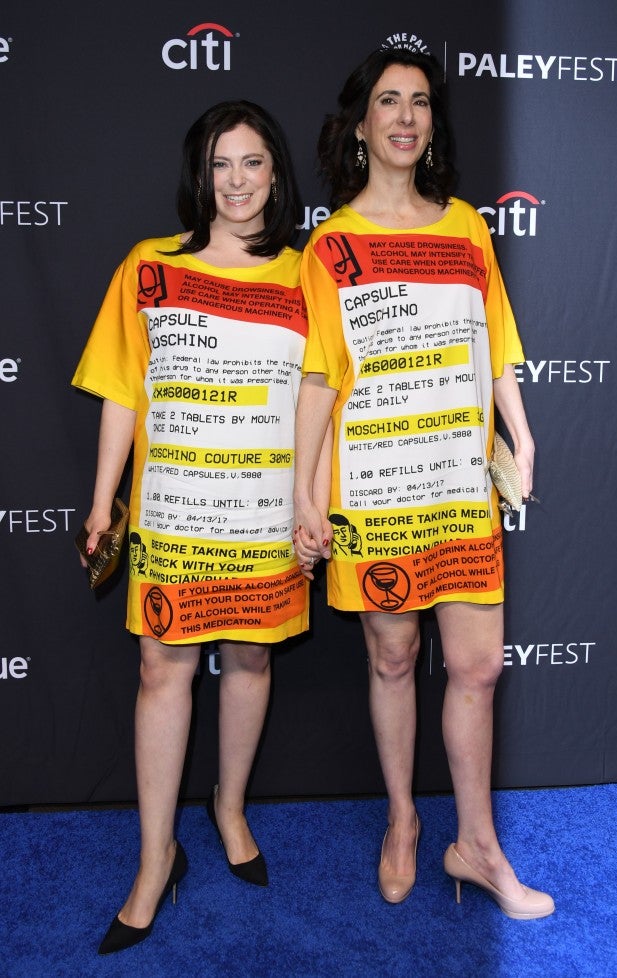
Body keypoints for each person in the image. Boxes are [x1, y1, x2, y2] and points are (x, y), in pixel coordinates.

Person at [293, 47, 554, 918]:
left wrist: (518, 429)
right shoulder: (331, 247)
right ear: (361, 125)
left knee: (476, 667)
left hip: (458, 487)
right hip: (375, 489)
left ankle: (476, 847)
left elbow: (496, 341)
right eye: (387, 102)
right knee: (394, 657)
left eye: (419, 104)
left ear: (432, 125)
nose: (404, 117)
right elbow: (322, 380)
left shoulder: (468, 226)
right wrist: (304, 494)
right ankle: (404, 821)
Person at [73, 100, 309, 954]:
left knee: (250, 655)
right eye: (219, 164)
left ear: (277, 175)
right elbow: (122, 394)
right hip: (174, 513)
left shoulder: (302, 277)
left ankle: (230, 807)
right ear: (197, 174)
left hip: (265, 517)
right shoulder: (148, 267)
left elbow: (321, 404)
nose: (236, 182)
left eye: (252, 163)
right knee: (159, 667)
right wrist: (103, 503)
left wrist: (312, 505)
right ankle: (153, 858)